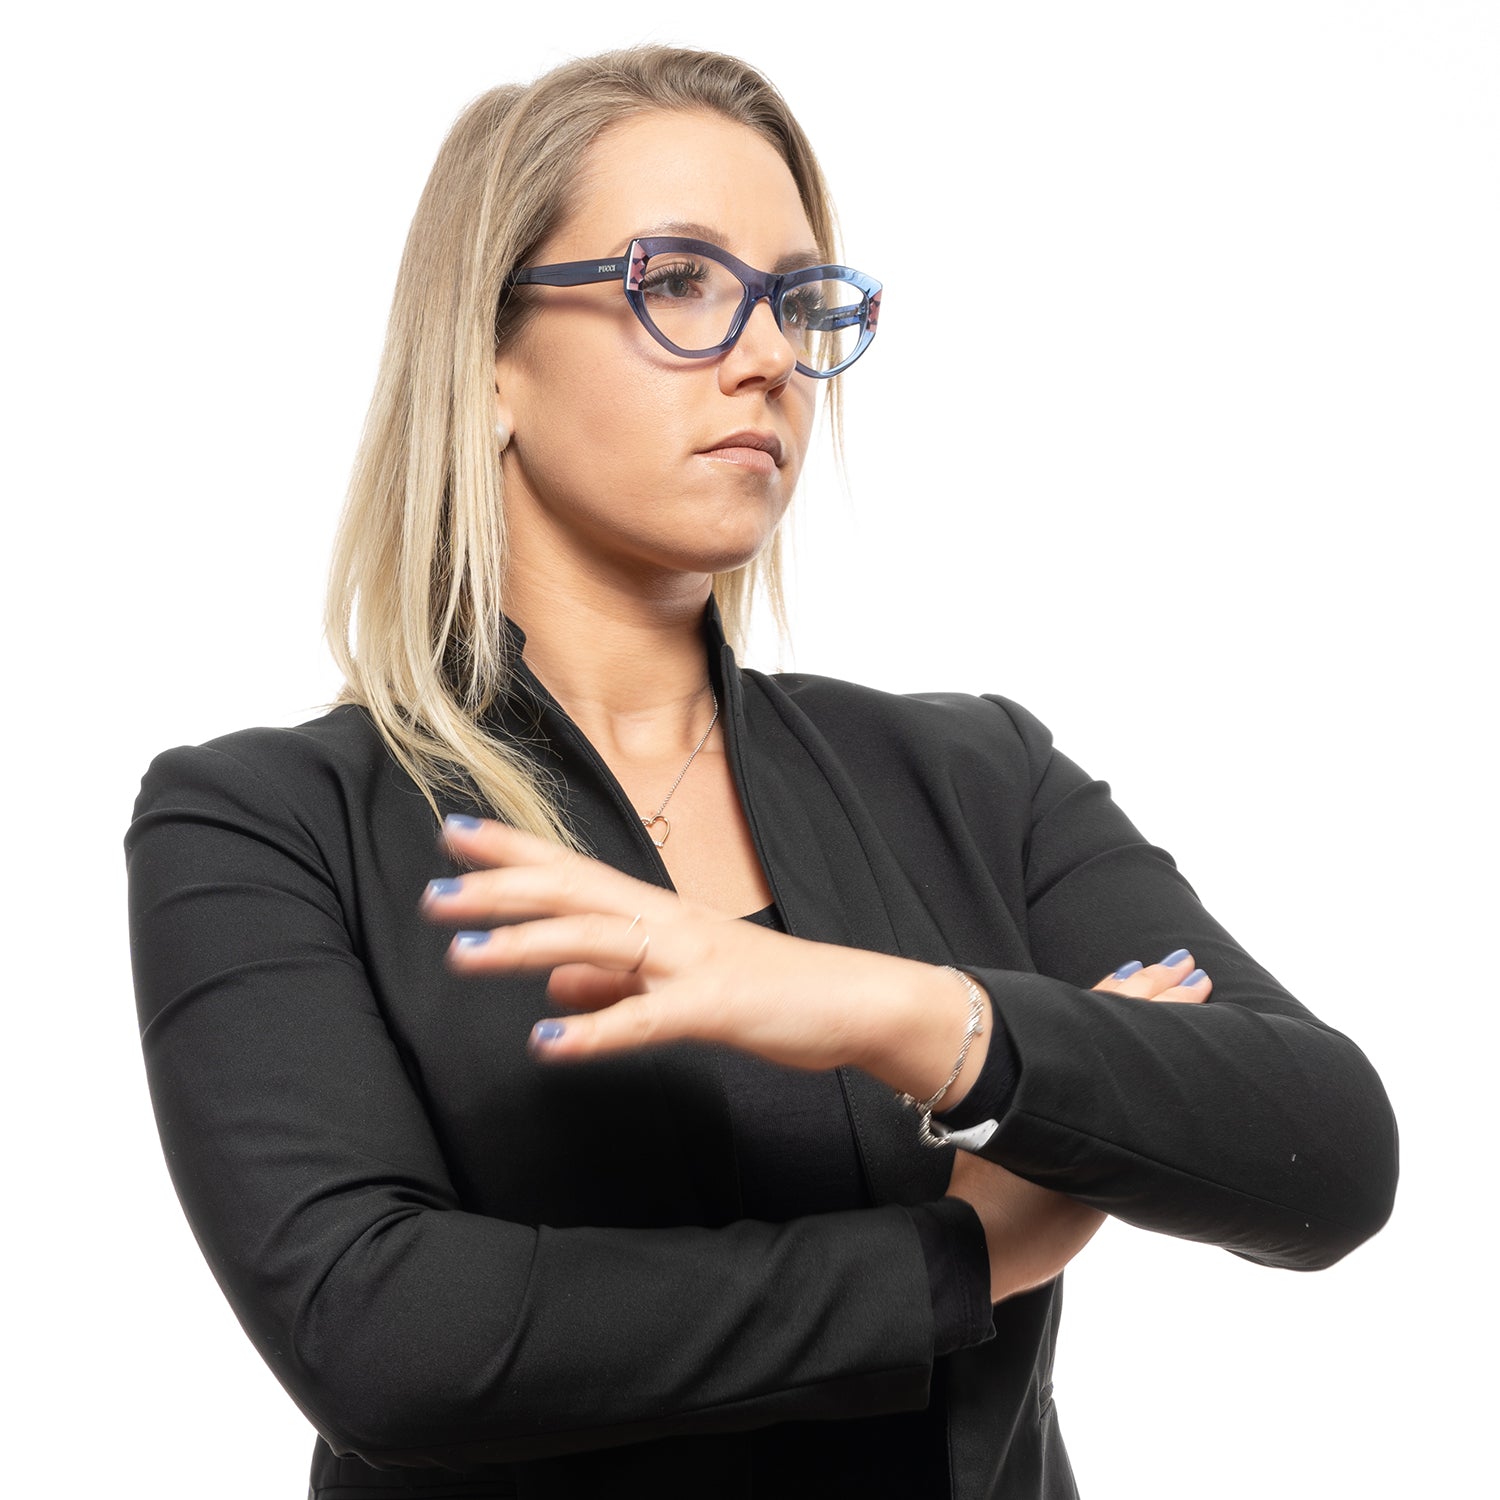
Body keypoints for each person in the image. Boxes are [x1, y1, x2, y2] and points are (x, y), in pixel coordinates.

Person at [124, 44, 1398, 1499]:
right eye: (676, 281)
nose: (771, 357)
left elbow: (1325, 1152)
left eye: (798, 299)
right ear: (487, 361)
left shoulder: (973, 773)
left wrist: (905, 1014)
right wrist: (957, 1256)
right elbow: (386, 1341)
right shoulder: (264, 824)